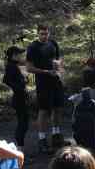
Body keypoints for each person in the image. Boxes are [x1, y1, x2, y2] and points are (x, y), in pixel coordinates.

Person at [27, 24, 66, 154]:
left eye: (46, 33)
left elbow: (59, 59)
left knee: (58, 108)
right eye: (42, 34)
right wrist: (45, 71)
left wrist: (59, 65)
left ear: (49, 33)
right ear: (38, 34)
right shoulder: (33, 47)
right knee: (43, 111)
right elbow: (29, 68)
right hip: (43, 82)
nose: (44, 36)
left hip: (56, 80)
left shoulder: (53, 43)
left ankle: (56, 135)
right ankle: (42, 139)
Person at [3, 46, 29, 150]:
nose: (21, 55)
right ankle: (19, 149)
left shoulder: (14, 65)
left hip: (20, 97)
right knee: (23, 123)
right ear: (14, 55)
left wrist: (23, 81)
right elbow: (6, 80)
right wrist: (19, 87)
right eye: (19, 54)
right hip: (18, 98)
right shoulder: (11, 66)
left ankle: (19, 148)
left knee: (24, 122)